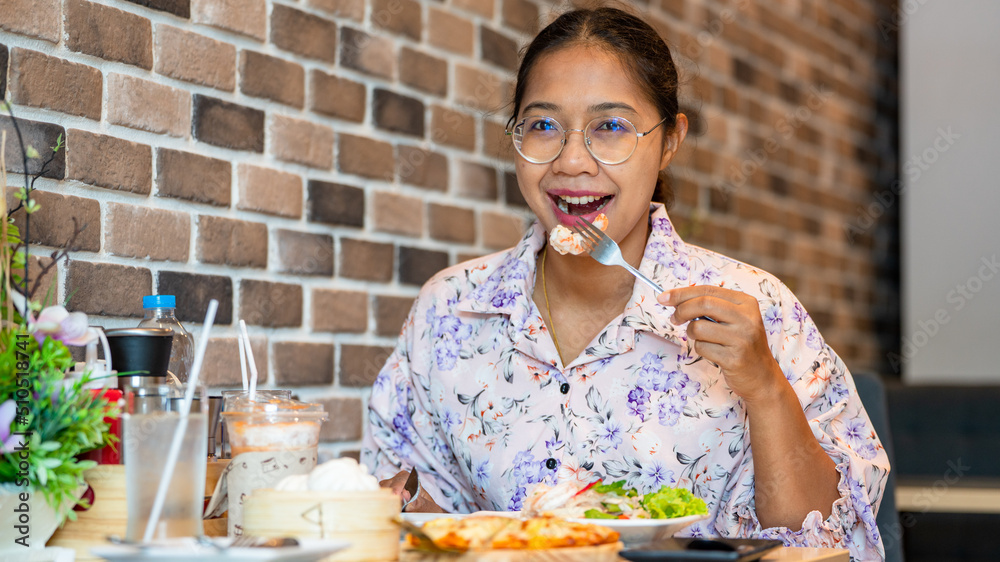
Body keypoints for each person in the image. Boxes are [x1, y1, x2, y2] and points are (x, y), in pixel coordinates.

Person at [362, 6, 888, 560]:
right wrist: (401, 508)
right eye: (543, 126)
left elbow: (833, 544)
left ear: (669, 142)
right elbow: (419, 527)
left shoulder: (761, 307)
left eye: (609, 127)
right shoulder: (449, 309)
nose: (571, 161)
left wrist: (765, 387)